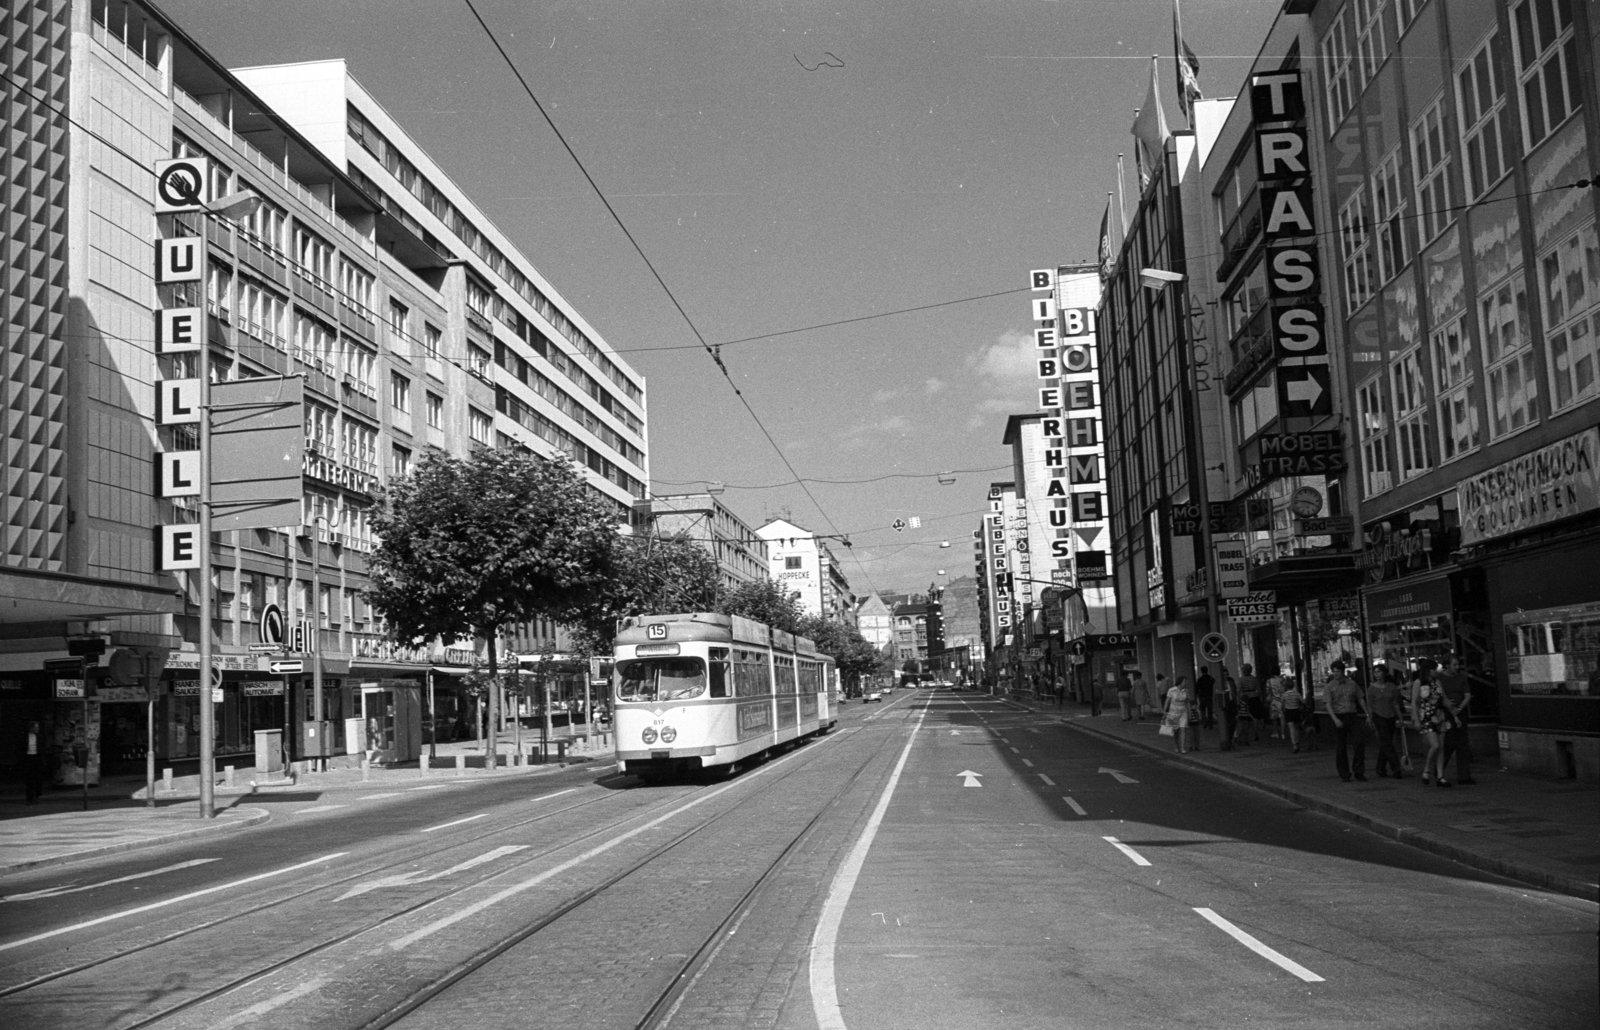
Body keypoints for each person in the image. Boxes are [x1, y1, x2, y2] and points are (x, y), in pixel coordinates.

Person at [1410, 660, 1458, 787]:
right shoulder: (1418, 683)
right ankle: (1427, 768)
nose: (1436, 671)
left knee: (1441, 747)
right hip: (1426, 716)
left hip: (1439, 715)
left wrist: (1454, 712)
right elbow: (1414, 702)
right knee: (1435, 745)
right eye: (1434, 669)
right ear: (1428, 670)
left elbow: (1444, 699)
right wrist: (1415, 718)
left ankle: (1440, 776)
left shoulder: (1437, 682)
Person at [1324, 660, 1371, 782]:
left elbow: (1360, 699)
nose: (1336, 674)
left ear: (1343, 671)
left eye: (1338, 671)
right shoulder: (1329, 687)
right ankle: (1344, 773)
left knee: (1359, 743)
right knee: (1341, 747)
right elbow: (1328, 704)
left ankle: (1359, 771)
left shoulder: (1352, 684)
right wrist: (1335, 719)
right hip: (1339, 716)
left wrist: (1367, 714)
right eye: (1333, 671)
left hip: (1352, 715)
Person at [1436, 656, 1476, 784]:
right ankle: (1439, 770)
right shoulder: (1439, 679)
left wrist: (1459, 709)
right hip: (1446, 713)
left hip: (1460, 712)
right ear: (1447, 665)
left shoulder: (1461, 678)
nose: (1457, 667)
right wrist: (1447, 705)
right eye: (1454, 665)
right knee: (1449, 742)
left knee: (1462, 743)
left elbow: (1467, 695)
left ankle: (1464, 776)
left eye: (1458, 665)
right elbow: (1439, 694)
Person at [1368, 665, 1405, 779]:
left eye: (1379, 672)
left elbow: (1395, 703)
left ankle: (1380, 768)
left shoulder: (1391, 686)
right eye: (1375, 672)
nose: (1376, 674)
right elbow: (1370, 706)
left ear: (1384, 673)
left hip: (1391, 716)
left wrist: (1400, 718)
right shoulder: (1371, 689)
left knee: (1385, 743)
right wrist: (1369, 718)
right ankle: (1396, 768)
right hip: (1379, 716)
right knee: (1388, 743)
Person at [1164, 675, 1194, 754]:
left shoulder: (1186, 691)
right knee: (1176, 731)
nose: (1186, 683)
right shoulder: (1171, 690)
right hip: (1174, 713)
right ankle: (1176, 745)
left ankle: (1182, 747)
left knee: (1183, 729)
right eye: (1185, 681)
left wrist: (1189, 712)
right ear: (1180, 682)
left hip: (1183, 712)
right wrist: (1164, 711)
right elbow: (1167, 701)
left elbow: (1187, 702)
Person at [1278, 666, 1306, 752]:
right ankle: (1297, 742)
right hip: (1296, 711)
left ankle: (1294, 745)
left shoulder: (1284, 695)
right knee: (1297, 728)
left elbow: (1282, 705)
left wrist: (1282, 711)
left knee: (1291, 729)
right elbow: (1303, 701)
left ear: (1285, 686)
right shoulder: (1296, 693)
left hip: (1289, 712)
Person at [1237, 663, 1265, 743]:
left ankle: (1245, 736)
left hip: (1245, 698)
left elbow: (1239, 690)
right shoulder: (1255, 679)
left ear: (1243, 670)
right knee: (1256, 717)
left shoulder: (1241, 679)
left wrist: (1239, 700)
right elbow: (1259, 690)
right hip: (1255, 698)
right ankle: (1256, 734)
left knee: (1246, 717)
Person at [22, 719, 47, 805]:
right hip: (29, 758)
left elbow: (43, 749)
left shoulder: (40, 736)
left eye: (38, 727)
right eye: (36, 727)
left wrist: (43, 760)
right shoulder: (25, 736)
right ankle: (29, 799)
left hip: (37, 758)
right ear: (31, 728)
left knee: (38, 779)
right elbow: (20, 748)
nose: (37, 729)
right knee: (29, 780)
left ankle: (37, 796)